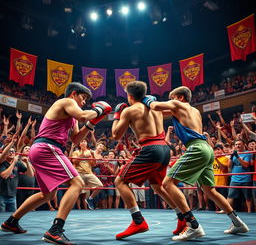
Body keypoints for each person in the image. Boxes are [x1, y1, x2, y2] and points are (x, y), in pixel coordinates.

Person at [0, 82, 112, 245]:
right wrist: (98, 110)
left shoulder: (72, 118)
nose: (83, 102)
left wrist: (92, 123)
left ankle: (11, 222)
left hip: (42, 149)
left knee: (48, 194)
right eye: (83, 98)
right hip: (48, 147)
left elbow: (75, 139)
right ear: (74, 94)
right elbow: (83, 115)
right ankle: (55, 230)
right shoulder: (66, 102)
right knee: (77, 183)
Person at [142, 86, 249, 241]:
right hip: (206, 149)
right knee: (210, 190)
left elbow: (155, 106)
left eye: (172, 97)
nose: (171, 100)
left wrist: (145, 98)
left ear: (180, 97)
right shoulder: (194, 111)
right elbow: (158, 113)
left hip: (196, 148)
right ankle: (238, 222)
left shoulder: (179, 105)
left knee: (168, 183)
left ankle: (193, 225)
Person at [112, 81, 181, 240]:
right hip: (164, 149)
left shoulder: (130, 110)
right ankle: (183, 217)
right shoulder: (155, 107)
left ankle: (138, 221)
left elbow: (115, 135)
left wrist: (117, 115)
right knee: (157, 187)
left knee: (120, 182)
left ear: (130, 96)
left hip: (150, 149)